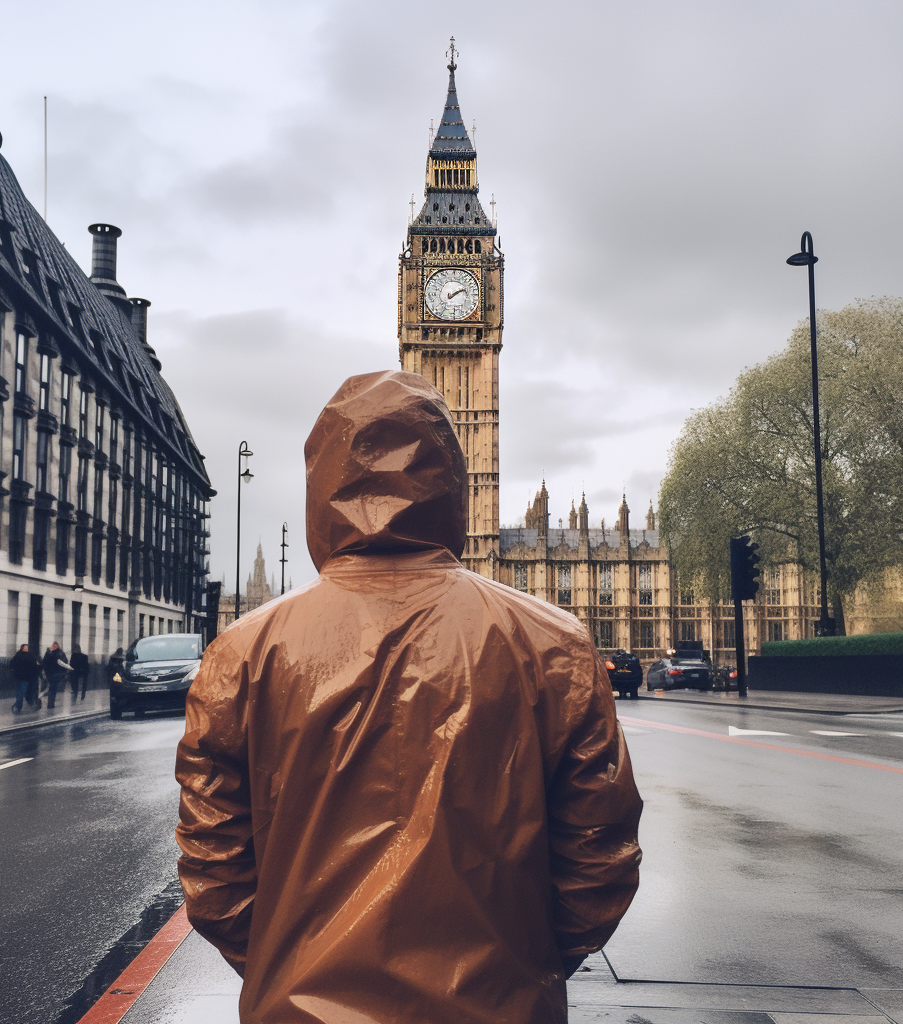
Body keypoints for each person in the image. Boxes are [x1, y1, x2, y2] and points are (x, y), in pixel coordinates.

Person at [176, 371, 643, 1024]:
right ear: (449, 477)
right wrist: (524, 962)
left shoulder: (245, 651)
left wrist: (289, 962)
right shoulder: (552, 641)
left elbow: (213, 871)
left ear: (323, 482)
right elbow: (601, 855)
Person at [9, 643, 41, 714]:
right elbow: (12, 664)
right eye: (25, 647)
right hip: (23, 677)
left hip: (25, 677)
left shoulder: (27, 656)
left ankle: (22, 706)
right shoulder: (21, 656)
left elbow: (35, 667)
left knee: (23, 692)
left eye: (27, 647)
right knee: (21, 692)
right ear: (22, 648)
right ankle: (18, 707)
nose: (26, 649)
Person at [41, 641, 71, 710]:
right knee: (52, 688)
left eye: (55, 646)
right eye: (53, 645)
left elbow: (64, 663)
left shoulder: (60, 653)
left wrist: (63, 672)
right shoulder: (48, 653)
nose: (54, 647)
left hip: (56, 674)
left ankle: (50, 703)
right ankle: (50, 703)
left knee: (53, 688)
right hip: (50, 673)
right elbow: (44, 662)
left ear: (58, 646)